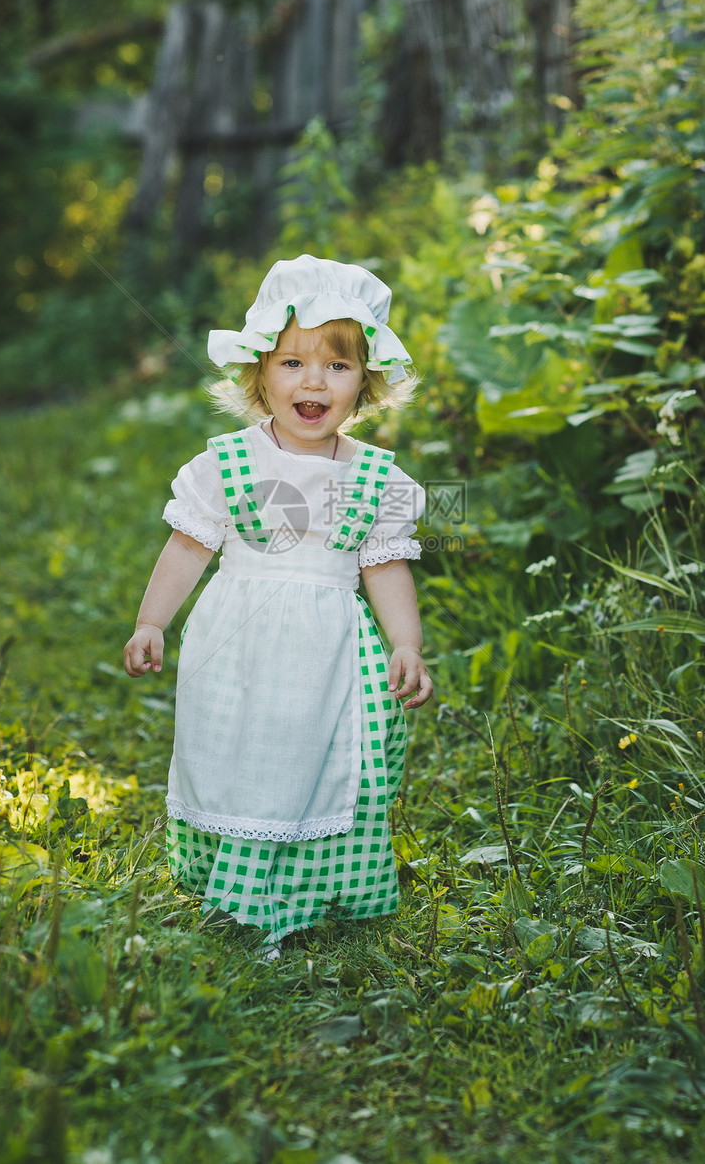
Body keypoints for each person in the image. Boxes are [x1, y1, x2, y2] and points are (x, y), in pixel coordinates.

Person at [123, 254, 433, 957]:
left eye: (337, 365)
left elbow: (383, 567)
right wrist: (152, 621)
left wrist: (405, 644)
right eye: (292, 363)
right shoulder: (227, 464)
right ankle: (236, 885)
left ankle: (305, 888)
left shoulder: (374, 476)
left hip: (328, 648)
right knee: (239, 754)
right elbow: (187, 550)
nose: (314, 381)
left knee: (314, 759)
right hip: (237, 638)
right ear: (260, 371)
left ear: (366, 381)